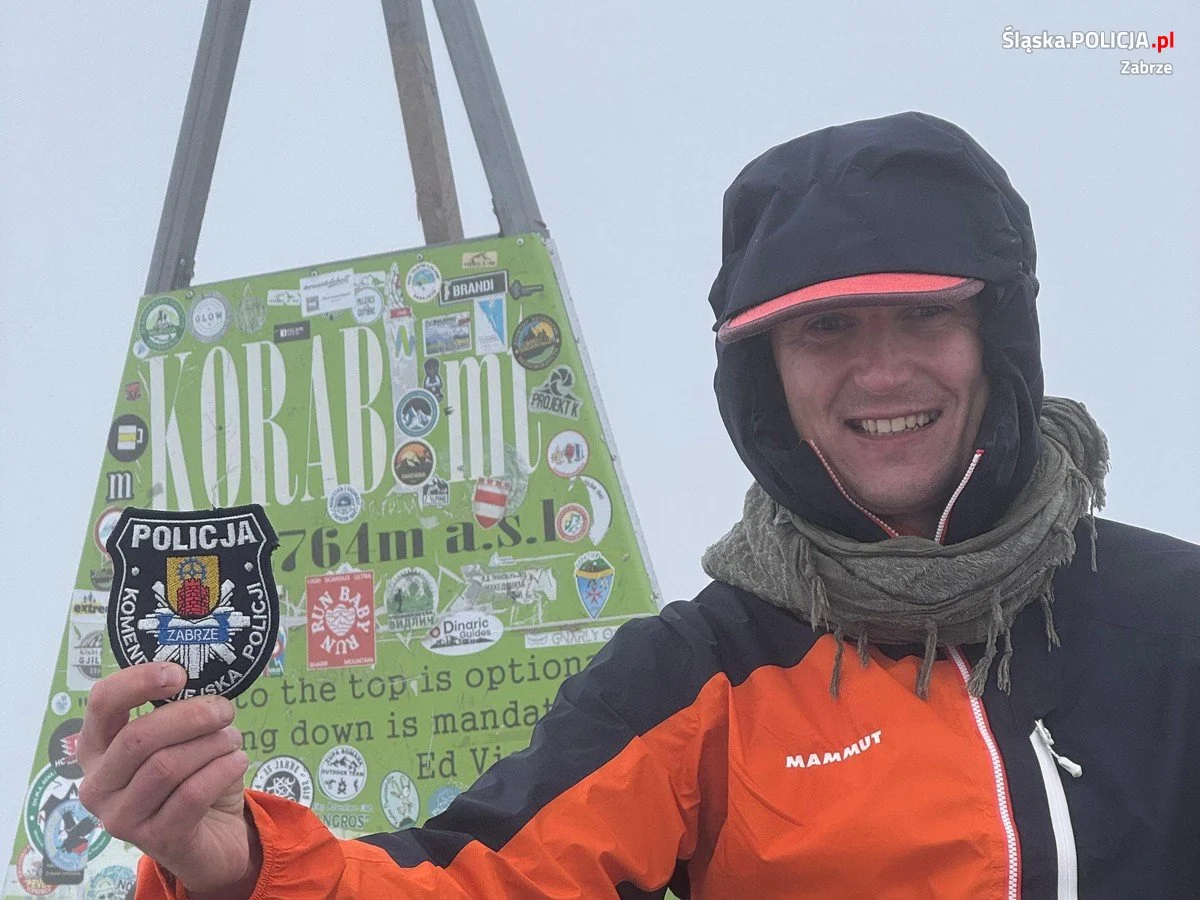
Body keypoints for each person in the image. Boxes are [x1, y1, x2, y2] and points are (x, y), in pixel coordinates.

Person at [78, 111, 1200, 897]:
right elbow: (484, 881)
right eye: (825, 329)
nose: (881, 371)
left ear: (997, 333)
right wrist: (240, 870)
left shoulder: (1171, 619)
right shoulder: (703, 676)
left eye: (923, 316)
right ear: (763, 379)